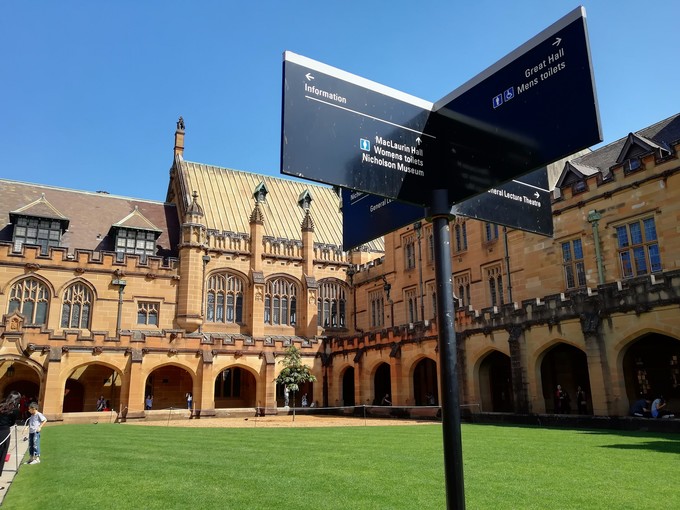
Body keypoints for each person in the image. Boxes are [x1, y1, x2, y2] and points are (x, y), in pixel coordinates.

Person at [0, 392, 20, 489]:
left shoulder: (1, 405)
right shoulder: (14, 410)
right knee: (1, 456)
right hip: (4, 432)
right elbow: (12, 422)